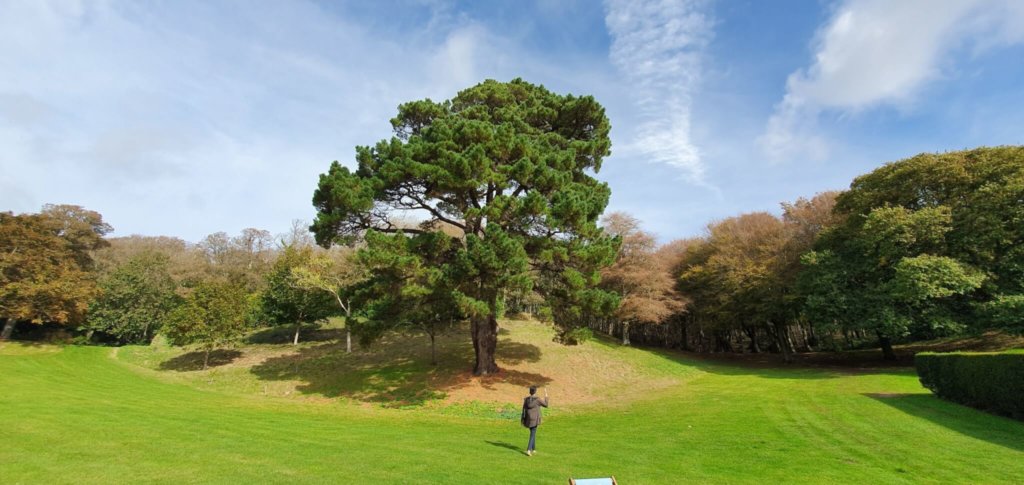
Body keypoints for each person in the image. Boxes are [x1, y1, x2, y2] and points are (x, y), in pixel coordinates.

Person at [520, 385, 549, 456]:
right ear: (535, 391)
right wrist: (546, 395)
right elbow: (546, 405)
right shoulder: (538, 399)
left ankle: (534, 449)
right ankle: (529, 450)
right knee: (532, 434)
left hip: (528, 419)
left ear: (530, 391)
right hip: (535, 419)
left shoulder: (526, 399)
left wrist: (523, 419)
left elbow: (523, 409)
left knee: (533, 432)